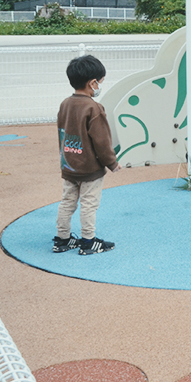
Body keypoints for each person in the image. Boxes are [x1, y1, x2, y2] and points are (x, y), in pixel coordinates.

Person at [55, 55, 120, 256]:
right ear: (92, 83)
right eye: (100, 82)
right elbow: (101, 141)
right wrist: (112, 163)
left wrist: (65, 158)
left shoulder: (65, 104)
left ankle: (62, 240)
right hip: (90, 169)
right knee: (89, 205)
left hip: (69, 165)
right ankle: (88, 241)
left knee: (67, 202)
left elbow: (62, 133)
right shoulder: (93, 108)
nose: (100, 86)